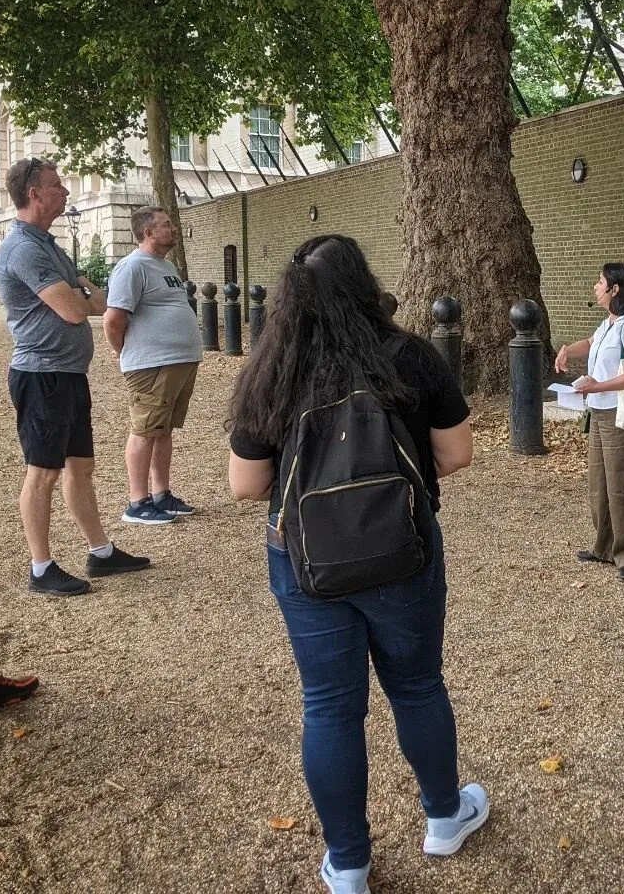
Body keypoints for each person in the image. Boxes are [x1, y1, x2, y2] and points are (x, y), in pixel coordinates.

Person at [227, 235, 486, 894]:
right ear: (365, 286)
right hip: (403, 550)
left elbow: (246, 484)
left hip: (306, 560)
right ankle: (444, 817)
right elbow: (456, 456)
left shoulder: (271, 367)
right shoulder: (412, 357)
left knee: (330, 707)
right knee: (418, 686)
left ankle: (347, 863)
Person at [0, 157, 150, 596]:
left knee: (80, 467)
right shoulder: (23, 249)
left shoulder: (49, 245)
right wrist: (79, 292)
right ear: (34, 194)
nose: (65, 191)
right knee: (41, 472)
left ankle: (100, 553)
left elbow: (99, 301)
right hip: (42, 376)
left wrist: (80, 292)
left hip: (68, 375)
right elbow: (75, 307)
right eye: (57, 185)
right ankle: (41, 568)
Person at [554, 262, 624, 581]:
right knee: (600, 483)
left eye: (600, 283)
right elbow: (592, 342)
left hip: (621, 413)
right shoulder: (610, 323)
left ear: (616, 289)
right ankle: (605, 546)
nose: (595, 287)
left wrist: (597, 386)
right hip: (600, 411)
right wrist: (569, 349)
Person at [103, 206, 202, 524]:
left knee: (163, 429)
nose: (173, 228)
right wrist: (123, 351)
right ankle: (137, 502)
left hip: (177, 362)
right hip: (151, 365)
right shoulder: (132, 267)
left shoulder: (165, 266)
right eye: (166, 224)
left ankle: (161, 494)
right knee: (145, 430)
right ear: (147, 232)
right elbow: (113, 318)